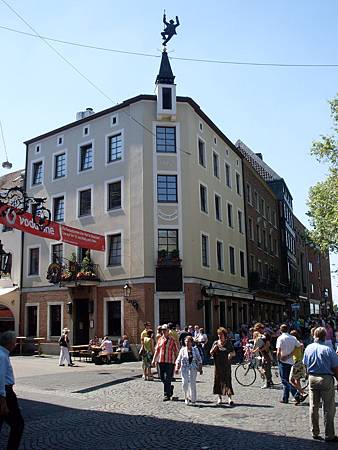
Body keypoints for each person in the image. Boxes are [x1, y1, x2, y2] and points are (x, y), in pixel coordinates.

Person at [303, 327, 338, 442]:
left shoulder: (308, 348)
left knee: (313, 406)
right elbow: (335, 367)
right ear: (325, 336)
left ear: (314, 336)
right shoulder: (328, 349)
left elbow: (305, 364)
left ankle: (314, 431)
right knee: (328, 407)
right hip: (325, 378)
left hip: (312, 377)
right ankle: (329, 434)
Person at [0, 331, 24, 450]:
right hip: (6, 393)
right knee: (18, 425)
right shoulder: (2, 356)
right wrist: (3, 400)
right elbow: (0, 378)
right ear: (9, 343)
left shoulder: (3, 354)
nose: (16, 344)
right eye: (15, 341)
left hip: (6, 393)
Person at [276, 324, 304, 404]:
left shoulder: (280, 338)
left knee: (284, 381)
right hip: (291, 361)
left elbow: (278, 351)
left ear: (280, 330)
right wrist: (291, 354)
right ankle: (285, 398)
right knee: (287, 380)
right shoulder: (293, 338)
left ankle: (297, 395)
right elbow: (300, 345)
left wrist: (278, 359)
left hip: (283, 361)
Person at [152, 324, 178, 401]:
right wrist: (154, 360)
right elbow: (157, 350)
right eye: (162, 330)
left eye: (165, 330)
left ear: (168, 331)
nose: (163, 331)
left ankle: (166, 395)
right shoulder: (160, 339)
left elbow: (176, 351)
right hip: (161, 361)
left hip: (170, 362)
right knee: (162, 377)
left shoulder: (172, 340)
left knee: (168, 378)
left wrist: (177, 362)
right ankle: (170, 387)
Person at [210, 327, 235, 406]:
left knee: (227, 381)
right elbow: (210, 353)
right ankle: (219, 398)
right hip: (218, 365)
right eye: (218, 334)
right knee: (218, 381)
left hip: (226, 365)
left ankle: (229, 398)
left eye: (221, 334)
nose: (220, 336)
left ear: (225, 335)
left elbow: (233, 352)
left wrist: (230, 354)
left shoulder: (228, 343)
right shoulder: (215, 343)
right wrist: (214, 348)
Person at [175, 336, 203, 405]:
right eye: (186, 341)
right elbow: (178, 359)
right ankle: (186, 397)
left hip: (193, 368)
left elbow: (199, 360)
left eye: (189, 341)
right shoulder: (182, 350)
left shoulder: (195, 350)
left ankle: (193, 399)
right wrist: (177, 367)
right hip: (184, 368)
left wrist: (200, 368)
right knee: (185, 384)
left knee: (193, 384)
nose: (187, 343)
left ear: (191, 342)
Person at [252, 323, 273, 389]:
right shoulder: (261, 335)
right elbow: (260, 345)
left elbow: (267, 345)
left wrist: (261, 349)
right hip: (264, 354)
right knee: (265, 367)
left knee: (266, 368)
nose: (256, 332)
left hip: (267, 353)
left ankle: (268, 383)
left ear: (260, 329)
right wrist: (255, 350)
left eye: (257, 330)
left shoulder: (265, 334)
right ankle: (270, 381)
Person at [289, 330, 307, 403]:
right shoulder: (300, 342)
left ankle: (303, 392)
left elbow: (292, 352)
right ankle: (299, 394)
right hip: (300, 361)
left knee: (291, 380)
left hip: (296, 362)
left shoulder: (295, 344)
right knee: (297, 380)